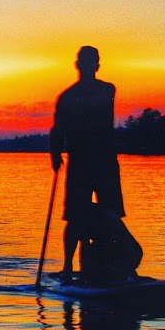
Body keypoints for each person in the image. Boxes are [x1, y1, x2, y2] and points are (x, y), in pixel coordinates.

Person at [49, 45, 130, 279]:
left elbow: (94, 111)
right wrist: (55, 155)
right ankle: (68, 265)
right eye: (84, 63)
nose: (88, 67)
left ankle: (114, 263)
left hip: (104, 161)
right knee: (75, 216)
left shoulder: (107, 90)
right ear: (78, 65)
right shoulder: (67, 97)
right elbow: (58, 129)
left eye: (92, 62)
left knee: (112, 213)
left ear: (97, 66)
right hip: (80, 162)